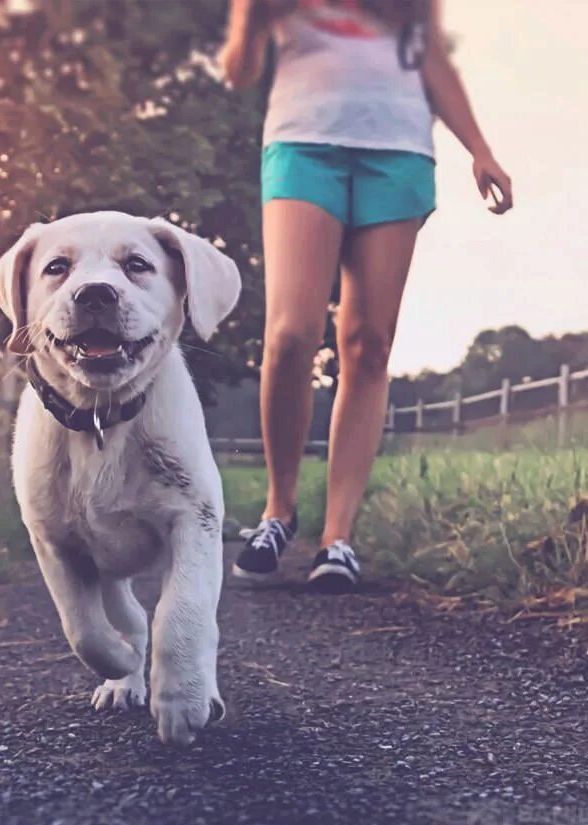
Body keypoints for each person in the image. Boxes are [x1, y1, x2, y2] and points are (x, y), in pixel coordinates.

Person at [219, 0, 512, 591]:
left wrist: (479, 148)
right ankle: (279, 511)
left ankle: (338, 538)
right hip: (303, 145)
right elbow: (239, 71)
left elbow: (432, 60)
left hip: (399, 154)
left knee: (368, 342)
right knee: (291, 333)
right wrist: (249, 18)